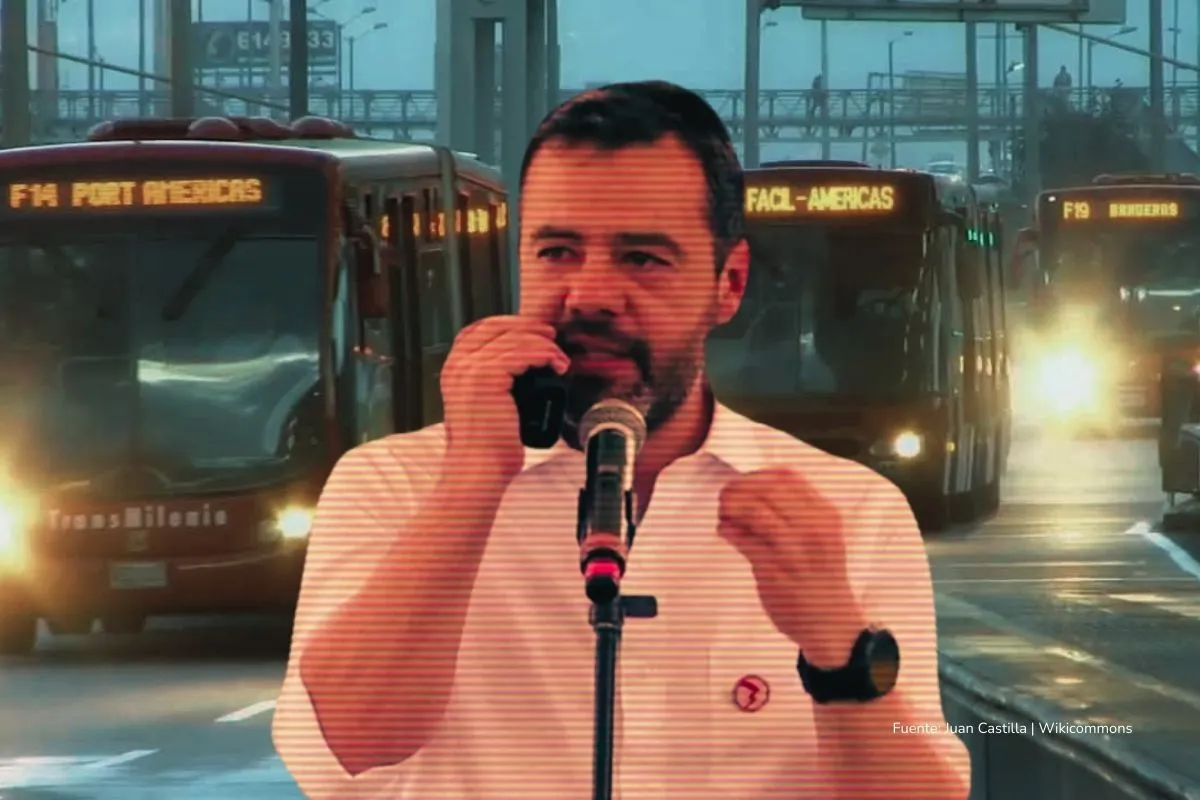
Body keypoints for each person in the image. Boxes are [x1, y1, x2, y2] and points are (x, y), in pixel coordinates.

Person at [273, 80, 970, 799]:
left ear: (728, 283)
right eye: (557, 252)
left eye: (642, 258)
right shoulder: (393, 486)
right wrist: (471, 480)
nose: (591, 294)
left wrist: (835, 644)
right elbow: (346, 744)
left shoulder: (843, 515)